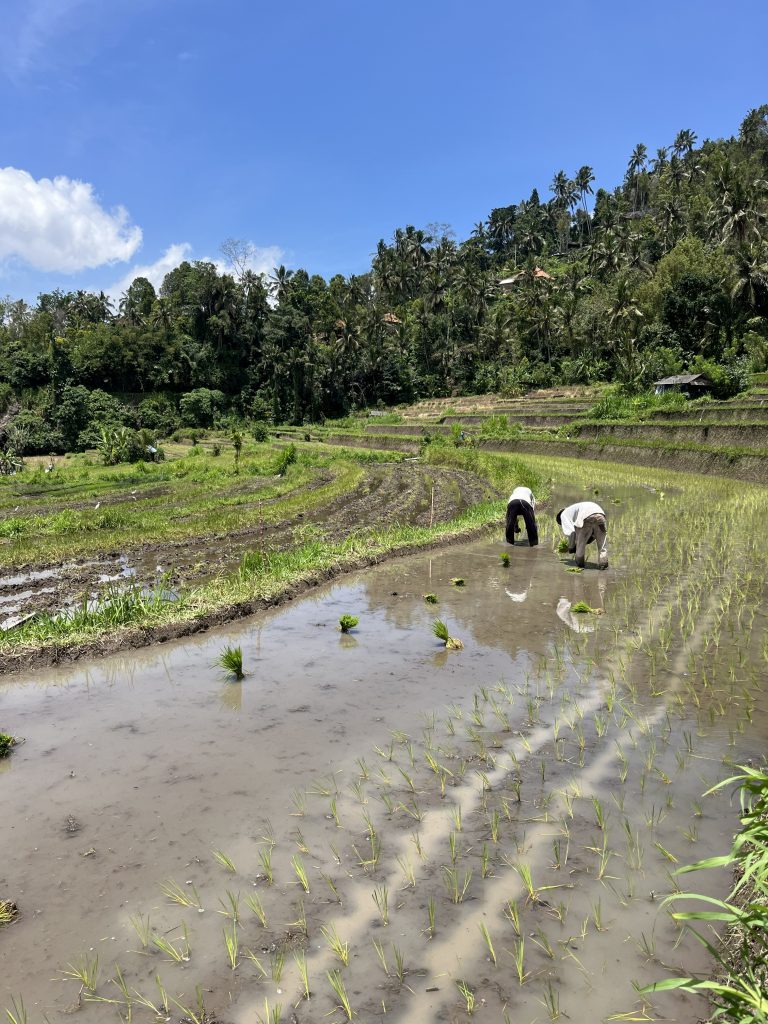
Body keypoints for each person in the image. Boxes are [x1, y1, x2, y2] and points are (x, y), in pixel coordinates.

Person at [556, 501, 608, 569]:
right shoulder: (573, 509)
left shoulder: (563, 515)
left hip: (586, 517)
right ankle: (603, 566)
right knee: (602, 545)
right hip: (601, 516)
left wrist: (571, 547)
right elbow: (593, 535)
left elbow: (572, 533)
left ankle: (580, 566)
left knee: (580, 546)